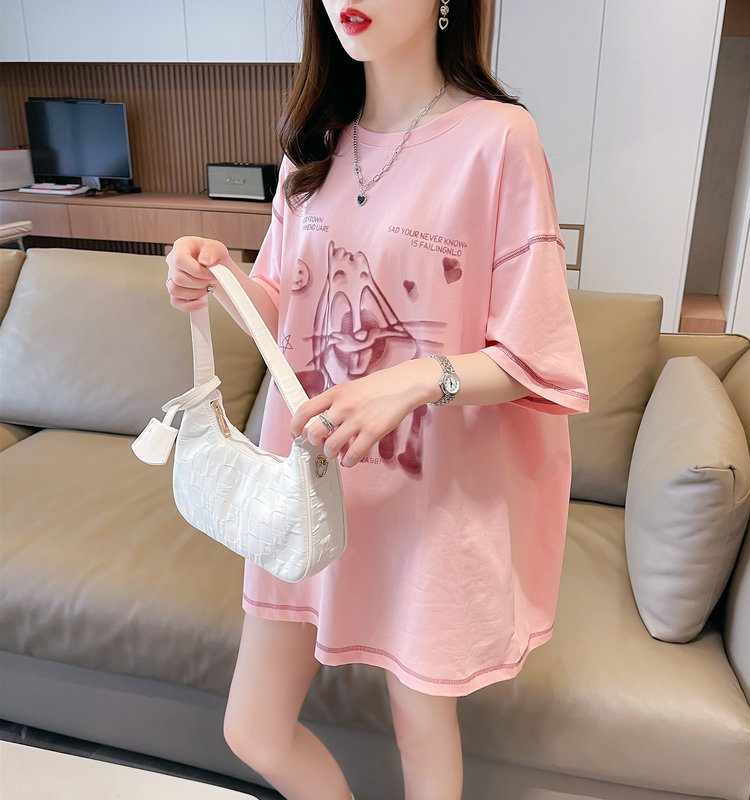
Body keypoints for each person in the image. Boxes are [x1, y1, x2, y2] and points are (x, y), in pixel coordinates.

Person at [165, 1, 590, 798]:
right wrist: (217, 276)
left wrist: (416, 379)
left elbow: (536, 357)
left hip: (426, 504)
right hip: (307, 486)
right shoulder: (312, 145)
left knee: (420, 731)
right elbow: (284, 306)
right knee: (253, 729)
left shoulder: (498, 140)